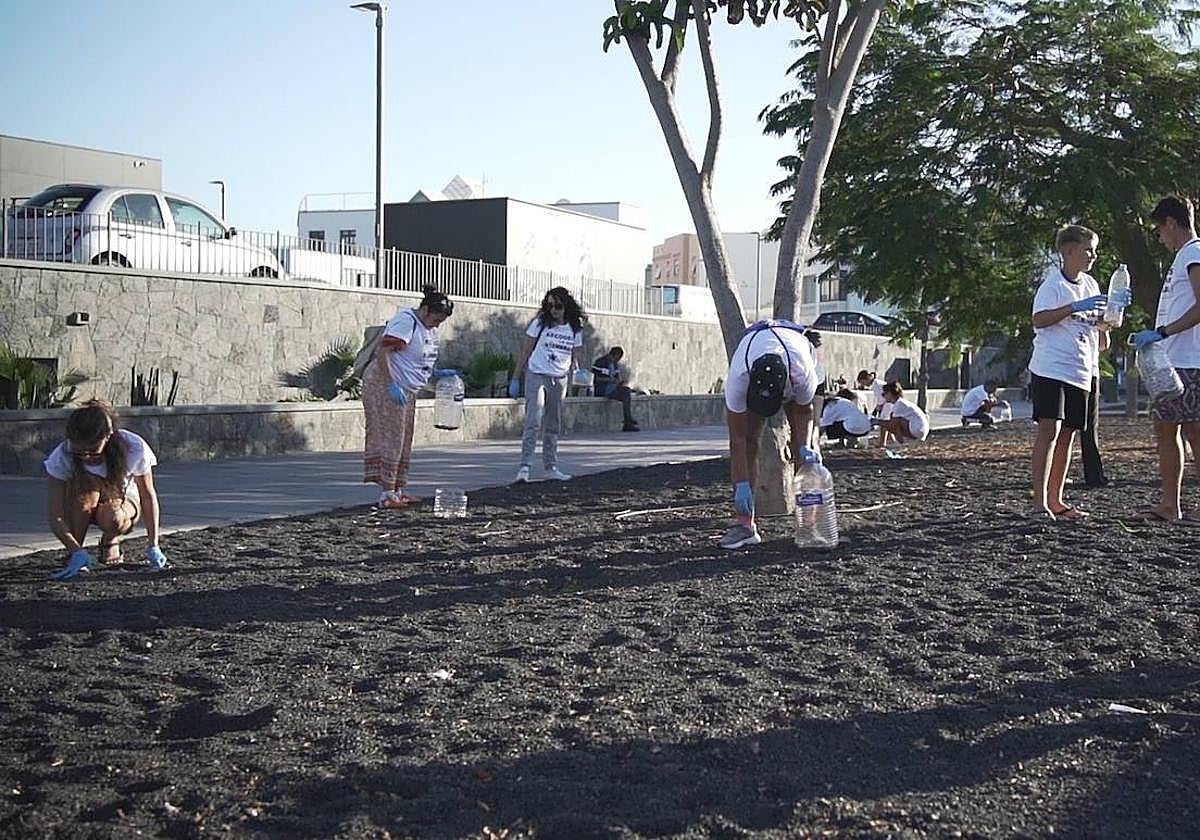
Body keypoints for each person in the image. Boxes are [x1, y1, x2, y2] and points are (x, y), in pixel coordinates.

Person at [1028, 224, 1127, 520]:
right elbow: (1039, 319)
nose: (1093, 256)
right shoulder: (1053, 285)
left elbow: (1101, 337)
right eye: (1088, 249)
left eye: (1094, 250)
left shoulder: (1092, 285)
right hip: (1051, 368)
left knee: (1069, 434)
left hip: (1080, 370)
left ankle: (1057, 500)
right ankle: (1039, 504)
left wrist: (1110, 320)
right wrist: (1073, 306)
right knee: (1050, 430)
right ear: (1068, 251)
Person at [1129, 195, 1200, 523]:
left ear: (1171, 223)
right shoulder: (1182, 257)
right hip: (1172, 362)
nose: (1160, 238)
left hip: (1189, 360)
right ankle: (1170, 503)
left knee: (1193, 431)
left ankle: (1175, 504)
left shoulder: (1194, 253)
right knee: (1166, 429)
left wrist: (1164, 331)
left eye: (1159, 231)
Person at [721, 319, 820, 549]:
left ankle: (809, 523)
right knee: (750, 441)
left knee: (801, 448)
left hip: (792, 350)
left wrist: (806, 445)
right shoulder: (739, 377)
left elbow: (805, 411)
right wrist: (742, 486)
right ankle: (745, 524)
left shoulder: (802, 372)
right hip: (757, 348)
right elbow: (737, 439)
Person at [43, 400, 168, 580]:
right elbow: (56, 515)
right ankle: (76, 552)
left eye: (93, 451)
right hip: (81, 500)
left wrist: (153, 545)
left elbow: (148, 496)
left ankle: (110, 540)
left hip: (121, 500)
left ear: (108, 436)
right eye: (79, 452)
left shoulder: (133, 448)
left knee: (113, 517)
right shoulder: (62, 456)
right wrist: (74, 549)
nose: (86, 457)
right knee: (86, 494)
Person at [362, 285, 456, 508]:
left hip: (408, 387)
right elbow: (383, 352)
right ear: (425, 310)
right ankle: (387, 494)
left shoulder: (428, 328)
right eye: (436, 319)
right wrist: (391, 384)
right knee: (391, 436)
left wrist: (435, 374)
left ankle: (398, 489)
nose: (437, 324)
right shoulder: (406, 322)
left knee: (404, 437)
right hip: (386, 384)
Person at [509, 287, 586, 482]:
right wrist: (516, 378)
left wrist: (578, 373)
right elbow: (526, 350)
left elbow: (575, 354)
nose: (554, 310)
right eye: (549, 306)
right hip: (537, 374)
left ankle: (550, 466)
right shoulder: (540, 324)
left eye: (558, 306)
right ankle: (524, 467)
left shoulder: (574, 328)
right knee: (533, 420)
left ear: (566, 306)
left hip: (559, 378)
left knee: (553, 423)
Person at [591, 346, 640, 431]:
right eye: (616, 358)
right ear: (612, 355)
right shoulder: (600, 362)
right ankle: (627, 421)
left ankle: (627, 421)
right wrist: (608, 380)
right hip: (603, 389)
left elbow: (616, 378)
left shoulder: (615, 365)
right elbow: (593, 378)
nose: (617, 361)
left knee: (626, 391)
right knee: (625, 394)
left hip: (613, 388)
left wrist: (619, 382)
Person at [875, 382, 930, 451]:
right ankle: (900, 441)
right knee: (889, 421)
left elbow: (892, 423)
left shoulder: (899, 404)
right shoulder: (900, 403)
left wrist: (876, 421)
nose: (883, 397)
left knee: (892, 422)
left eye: (884, 394)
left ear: (890, 394)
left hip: (917, 429)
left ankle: (899, 443)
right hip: (919, 429)